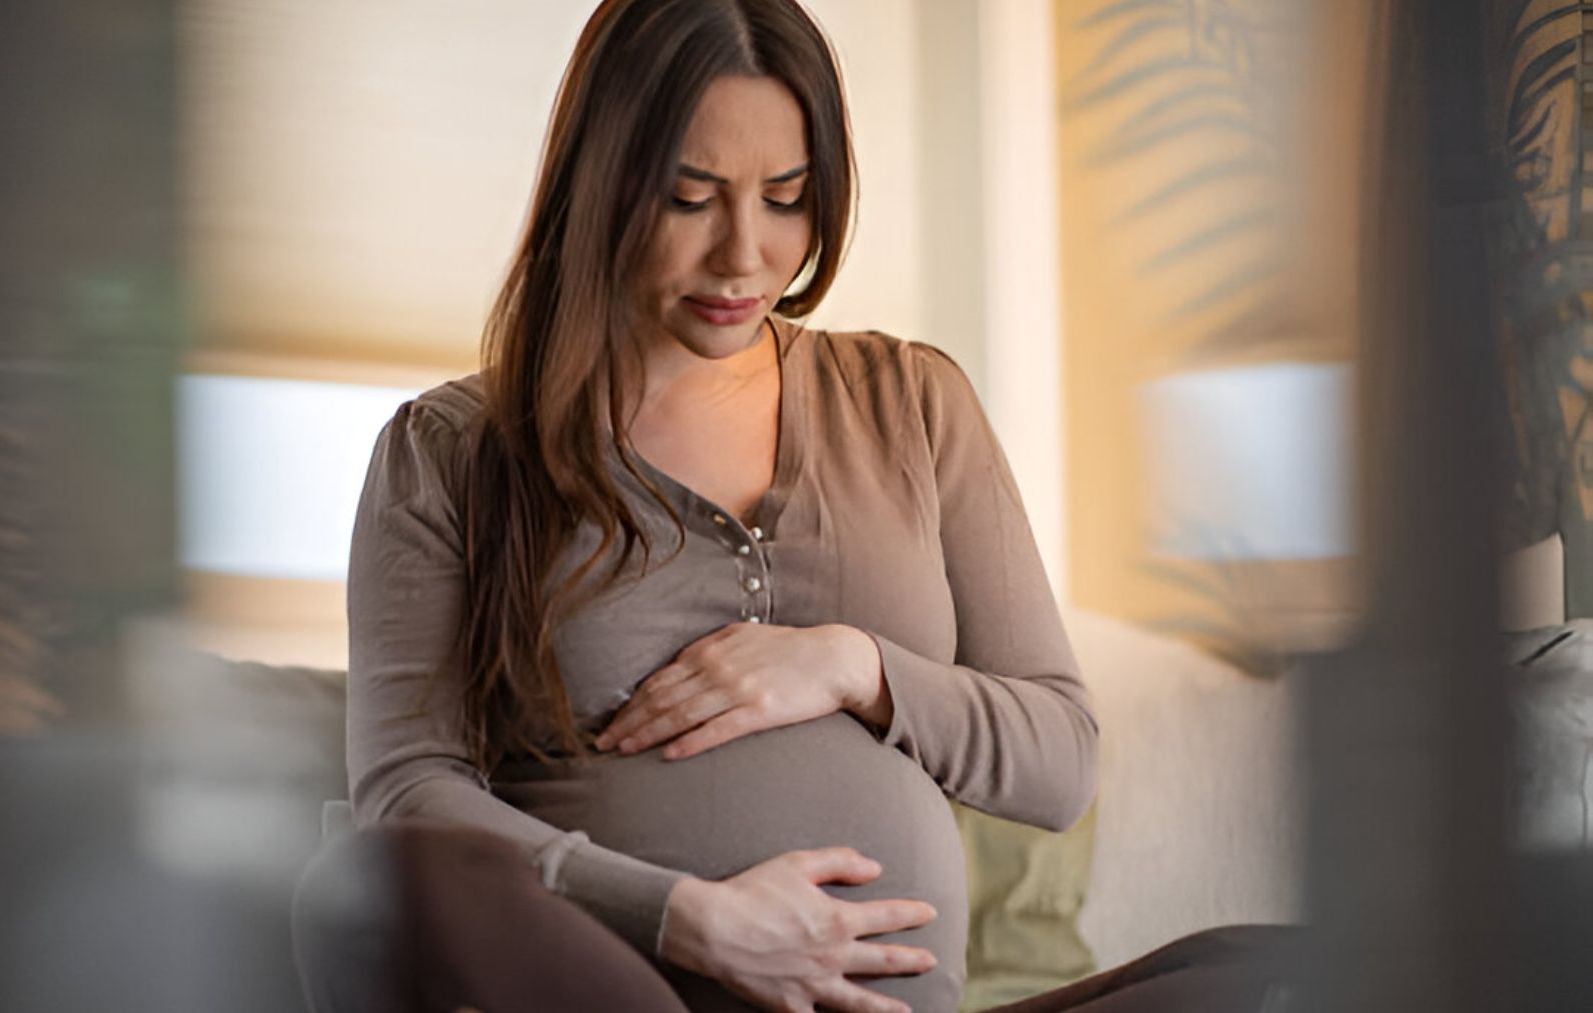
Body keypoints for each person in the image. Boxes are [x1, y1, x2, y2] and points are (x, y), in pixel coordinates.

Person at [293, 2, 1292, 1011]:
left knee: (1282, 970)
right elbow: (407, 794)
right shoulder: (451, 451)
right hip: (629, 992)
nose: (744, 255)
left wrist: (853, 665)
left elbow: (1060, 760)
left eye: (786, 197)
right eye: (691, 198)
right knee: (376, 879)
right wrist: (689, 915)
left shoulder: (911, 401)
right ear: (600, 183)